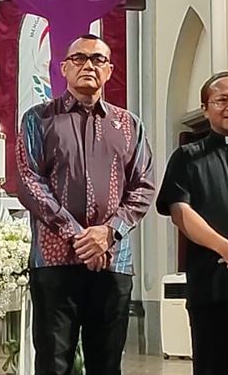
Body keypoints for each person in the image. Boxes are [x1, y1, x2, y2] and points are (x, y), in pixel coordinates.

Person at [16, 33, 155, 375]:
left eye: (97, 59)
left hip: (113, 261)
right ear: (63, 68)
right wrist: (79, 236)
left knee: (106, 363)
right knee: (53, 361)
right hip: (54, 259)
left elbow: (144, 185)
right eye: (79, 59)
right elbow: (29, 182)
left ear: (109, 71)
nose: (88, 65)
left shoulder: (128, 125)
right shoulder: (38, 119)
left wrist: (108, 233)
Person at [156, 71, 228, 375]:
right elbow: (180, 211)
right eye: (222, 100)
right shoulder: (187, 156)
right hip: (212, 284)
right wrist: (224, 246)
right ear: (205, 108)